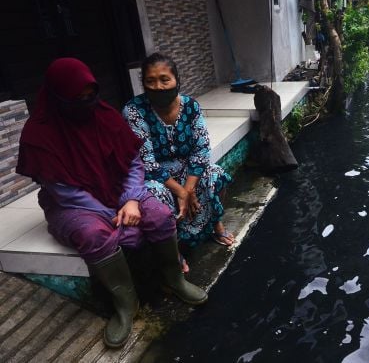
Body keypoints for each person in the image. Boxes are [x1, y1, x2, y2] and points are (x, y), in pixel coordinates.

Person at [16, 58, 208, 349]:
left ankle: (175, 279)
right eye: (76, 99)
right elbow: (63, 191)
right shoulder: (39, 133)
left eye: (89, 97)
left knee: (158, 213)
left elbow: (133, 162)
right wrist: (112, 214)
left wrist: (131, 199)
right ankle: (125, 304)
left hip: (119, 190)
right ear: (58, 97)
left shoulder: (105, 116)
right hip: (74, 204)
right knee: (95, 234)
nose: (85, 104)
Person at [122, 53, 234, 266]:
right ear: (143, 84)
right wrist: (181, 191)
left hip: (186, 167)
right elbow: (147, 162)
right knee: (155, 194)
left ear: (176, 80)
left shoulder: (191, 106)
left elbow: (201, 150)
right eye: (150, 81)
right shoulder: (134, 111)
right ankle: (173, 250)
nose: (158, 86)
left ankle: (215, 225)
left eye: (165, 79)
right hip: (155, 174)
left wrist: (189, 188)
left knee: (214, 174)